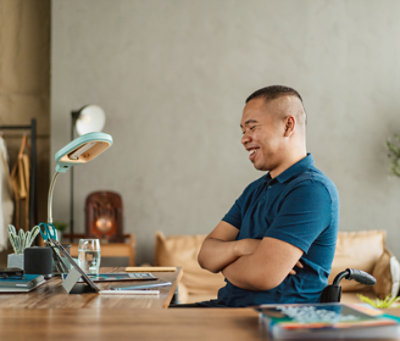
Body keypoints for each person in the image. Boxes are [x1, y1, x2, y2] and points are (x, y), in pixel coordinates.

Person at [173, 85, 339, 308]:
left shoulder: (311, 190)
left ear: (288, 125)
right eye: (243, 131)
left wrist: (224, 262)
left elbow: (262, 275)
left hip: (273, 322)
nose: (244, 139)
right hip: (230, 311)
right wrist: (242, 248)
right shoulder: (256, 189)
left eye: (252, 128)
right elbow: (205, 256)